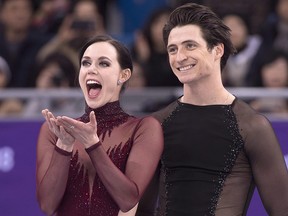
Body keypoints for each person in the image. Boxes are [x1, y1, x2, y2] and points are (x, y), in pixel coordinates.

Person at [136, 3, 288, 216]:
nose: (179, 57)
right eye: (173, 49)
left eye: (190, 45)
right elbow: (141, 210)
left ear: (217, 49)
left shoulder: (251, 126)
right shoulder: (157, 124)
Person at [36, 35, 164, 216]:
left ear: (124, 75)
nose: (91, 70)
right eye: (86, 63)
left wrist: (92, 145)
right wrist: (64, 145)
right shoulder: (55, 131)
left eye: (103, 63)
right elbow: (47, 206)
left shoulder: (144, 129)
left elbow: (128, 200)